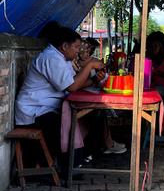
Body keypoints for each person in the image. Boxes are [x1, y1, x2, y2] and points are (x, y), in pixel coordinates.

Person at [15, 27, 105, 160]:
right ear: (64, 46)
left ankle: (79, 156)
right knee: (65, 124)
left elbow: (74, 82)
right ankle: (65, 163)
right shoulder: (51, 58)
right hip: (33, 111)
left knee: (90, 115)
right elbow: (72, 87)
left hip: (46, 107)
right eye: (76, 47)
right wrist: (90, 65)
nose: (78, 51)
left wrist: (93, 80)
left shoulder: (62, 59)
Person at [72, 38, 126, 155]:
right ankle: (105, 144)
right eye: (83, 49)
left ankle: (105, 143)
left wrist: (99, 79)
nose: (85, 52)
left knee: (99, 111)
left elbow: (101, 79)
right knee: (97, 112)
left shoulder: (95, 62)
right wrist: (94, 79)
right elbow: (74, 85)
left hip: (87, 95)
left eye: (89, 50)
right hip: (76, 98)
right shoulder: (73, 63)